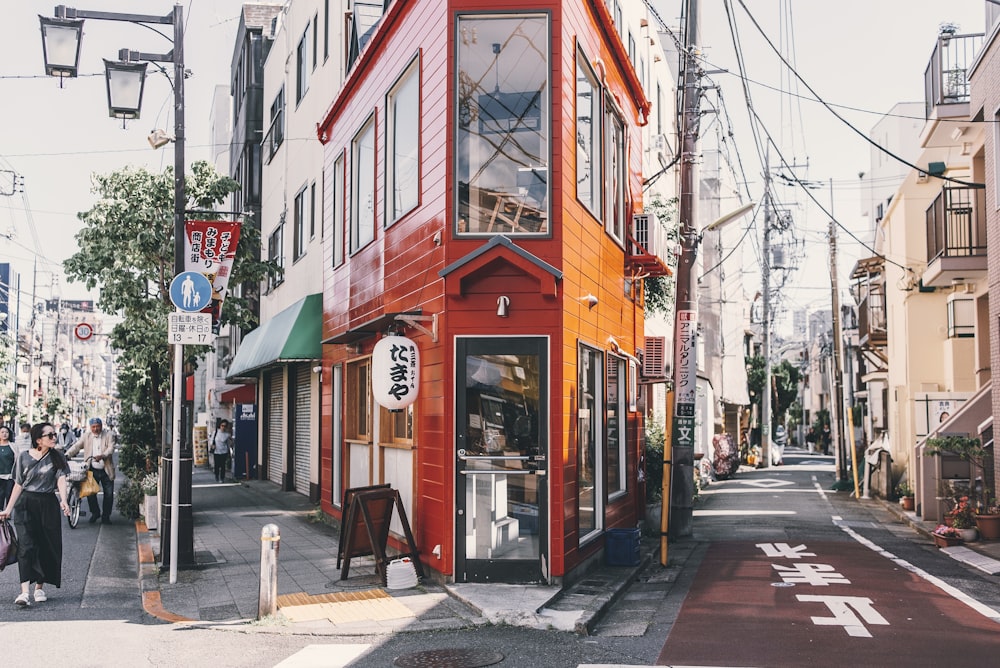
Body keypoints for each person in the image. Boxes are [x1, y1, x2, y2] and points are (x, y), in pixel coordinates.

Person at [0, 422, 71, 606]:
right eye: (50, 435)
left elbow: (61, 479)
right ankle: (24, 592)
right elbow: (18, 484)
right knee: (26, 546)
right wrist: (8, 509)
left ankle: (39, 587)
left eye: (54, 434)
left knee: (46, 544)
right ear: (38, 439)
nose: (54, 437)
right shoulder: (23, 457)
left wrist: (63, 500)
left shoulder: (58, 456)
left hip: (48, 504)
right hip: (26, 504)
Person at [66, 417, 117, 525]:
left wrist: (102, 455)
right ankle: (95, 512)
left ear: (101, 426)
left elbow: (111, 449)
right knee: (90, 493)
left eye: (97, 426)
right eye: (93, 427)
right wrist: (67, 455)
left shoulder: (109, 435)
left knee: (108, 494)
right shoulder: (86, 436)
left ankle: (106, 516)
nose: (95, 429)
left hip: (106, 469)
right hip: (91, 469)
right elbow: (77, 446)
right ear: (90, 427)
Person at [0, 426, 14, 511]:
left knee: (9, 494)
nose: (4, 434)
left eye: (6, 432)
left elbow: (17, 460)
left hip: (10, 475)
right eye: (2, 432)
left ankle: (8, 512)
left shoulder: (13, 446)